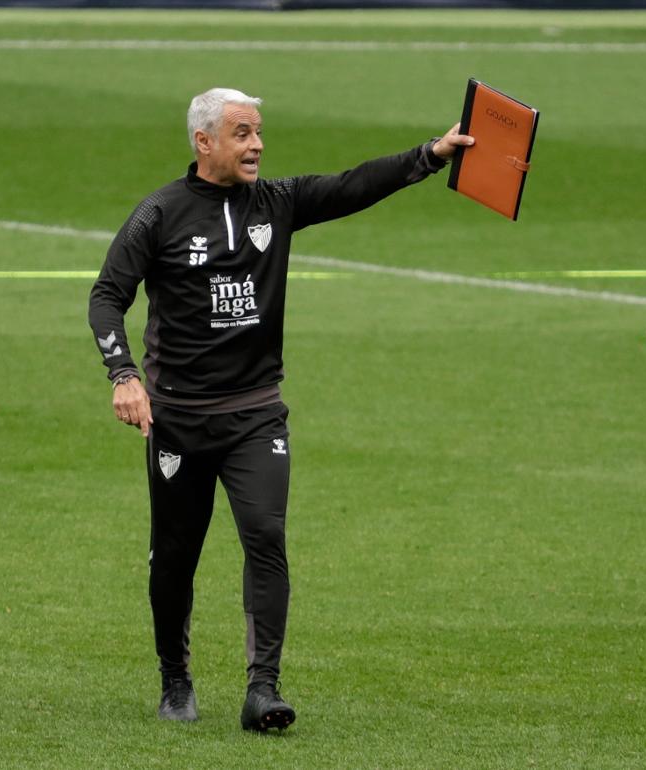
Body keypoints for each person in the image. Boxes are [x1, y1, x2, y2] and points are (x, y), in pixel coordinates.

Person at [88, 87, 473, 730]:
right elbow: (107, 296)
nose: (257, 145)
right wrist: (123, 373)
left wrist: (430, 155)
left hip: (257, 414)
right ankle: (175, 679)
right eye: (242, 133)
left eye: (259, 132)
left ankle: (262, 688)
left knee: (265, 537)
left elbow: (353, 186)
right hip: (179, 420)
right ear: (203, 141)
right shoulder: (159, 213)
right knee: (176, 555)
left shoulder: (278, 202)